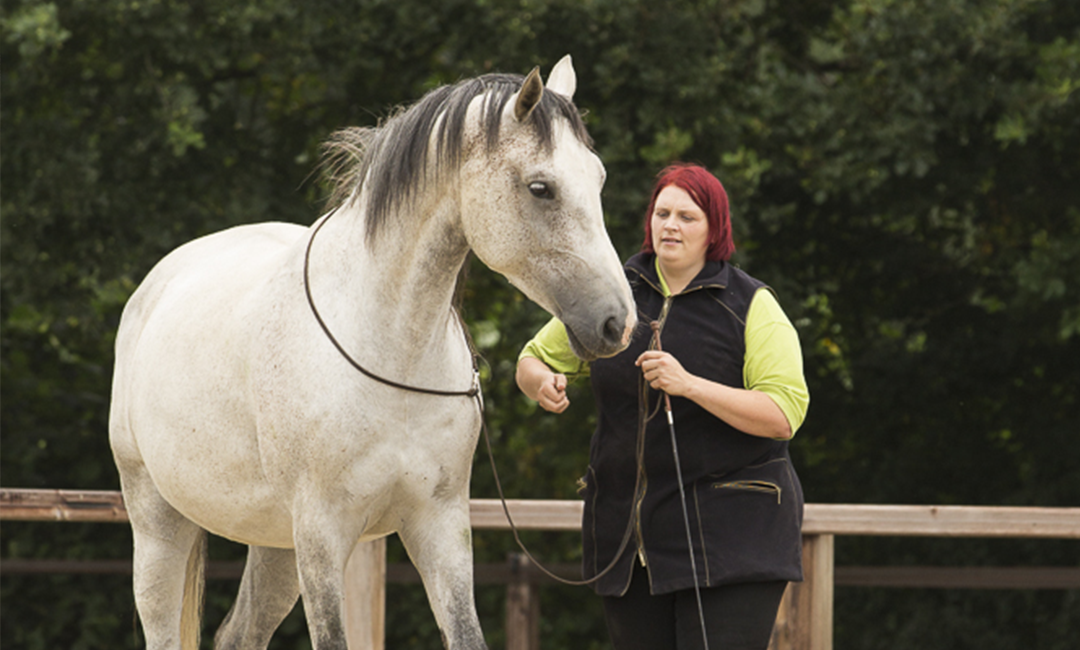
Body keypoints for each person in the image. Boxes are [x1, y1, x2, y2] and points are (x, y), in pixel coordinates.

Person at [515, 163, 810, 650]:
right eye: (662, 212)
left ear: (714, 229)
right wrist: (541, 383)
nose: (670, 224)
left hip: (732, 542)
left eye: (687, 217)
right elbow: (534, 357)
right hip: (628, 544)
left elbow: (783, 415)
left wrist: (690, 385)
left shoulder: (752, 305)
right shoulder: (613, 293)